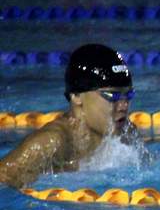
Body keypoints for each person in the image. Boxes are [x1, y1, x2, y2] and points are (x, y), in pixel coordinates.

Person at [0, 43, 138, 188]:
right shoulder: (50, 143)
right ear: (77, 96)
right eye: (113, 95)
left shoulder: (127, 133)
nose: (124, 105)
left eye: (128, 94)